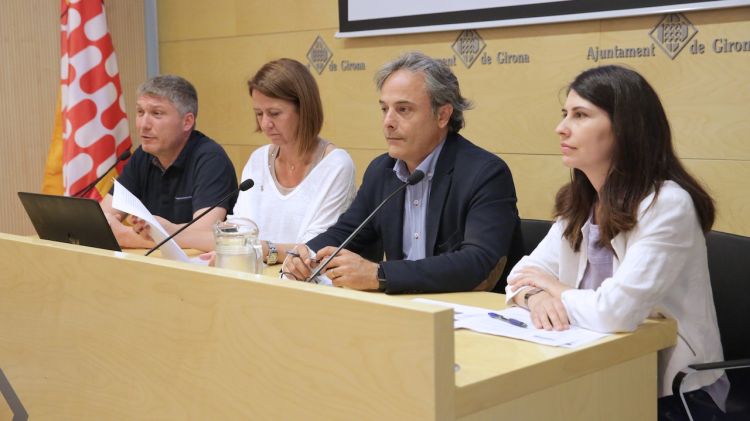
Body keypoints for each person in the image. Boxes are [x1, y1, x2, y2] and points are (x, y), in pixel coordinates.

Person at [505, 65, 727, 419]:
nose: (561, 128)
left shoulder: (667, 204)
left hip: (671, 392)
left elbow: (616, 313)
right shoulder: (581, 200)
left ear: (625, 129)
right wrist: (536, 296)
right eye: (565, 114)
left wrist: (556, 289)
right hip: (591, 369)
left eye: (580, 115)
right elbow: (521, 274)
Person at [282, 51, 521, 294]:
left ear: (442, 115)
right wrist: (304, 254)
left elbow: (477, 262)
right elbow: (346, 232)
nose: (388, 121)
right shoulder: (382, 170)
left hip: (463, 313)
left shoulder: (485, 174)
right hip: (401, 308)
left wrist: (380, 275)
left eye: (403, 110)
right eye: (384, 109)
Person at [216, 58, 356, 266]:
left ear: (304, 109)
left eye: (274, 113)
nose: (265, 124)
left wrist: (266, 250)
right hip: (255, 277)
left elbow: (314, 247)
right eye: (259, 114)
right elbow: (240, 228)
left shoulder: (336, 164)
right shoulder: (258, 160)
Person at [101, 75, 238, 251]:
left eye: (156, 114)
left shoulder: (211, 159)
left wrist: (127, 237)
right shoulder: (142, 156)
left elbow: (204, 237)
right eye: (140, 112)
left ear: (187, 122)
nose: (144, 125)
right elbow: (104, 221)